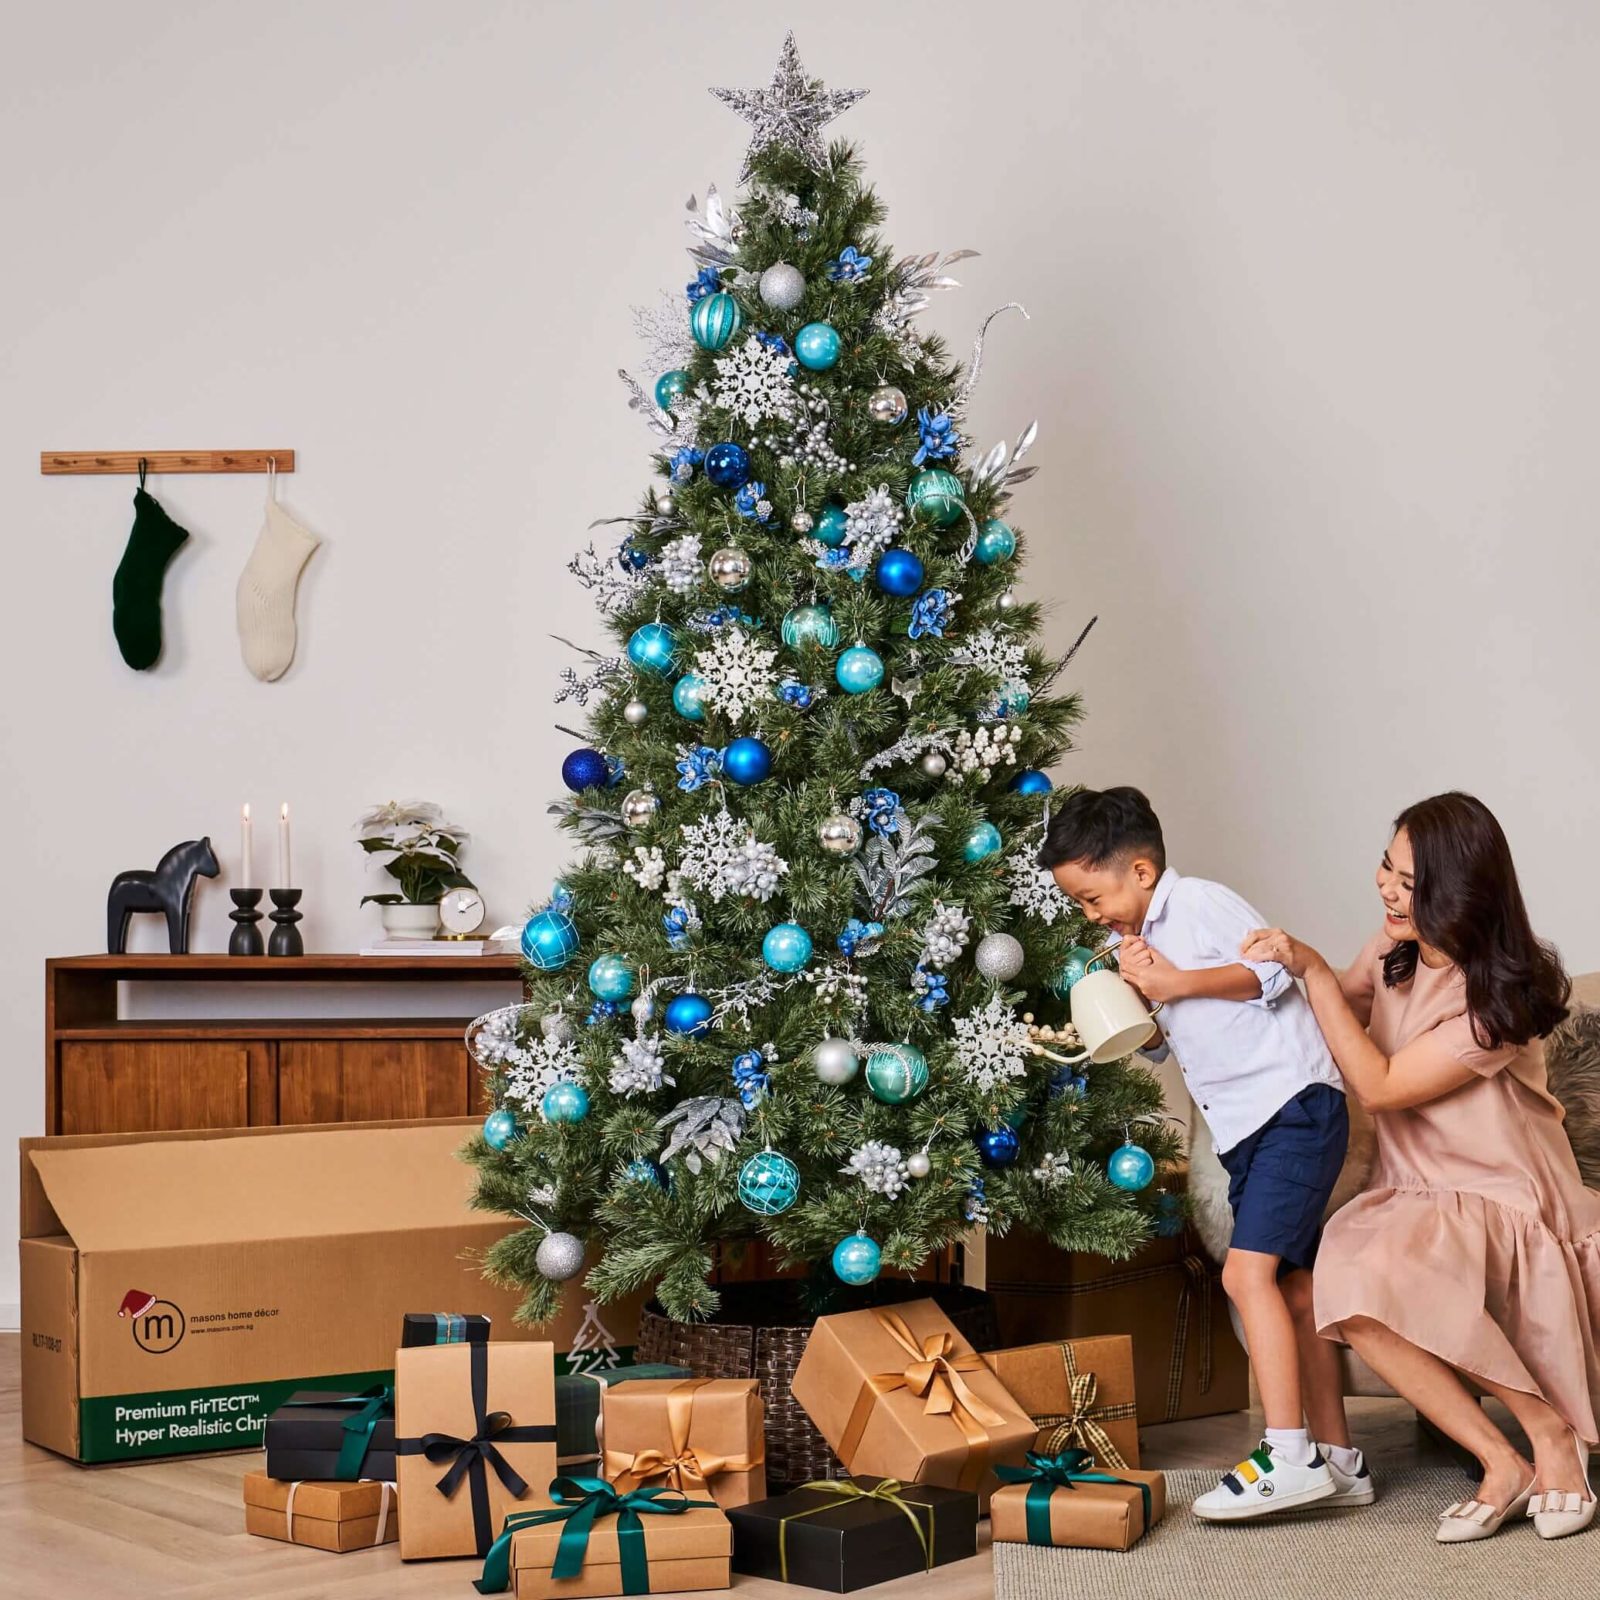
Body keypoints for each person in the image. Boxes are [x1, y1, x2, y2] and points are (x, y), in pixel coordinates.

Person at [1241, 791, 1599, 1543]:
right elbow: (1330, 1008)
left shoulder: (1498, 1001)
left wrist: (1308, 964)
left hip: (1501, 1192)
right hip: (1412, 1189)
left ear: (1459, 891)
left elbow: (1380, 1084)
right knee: (1348, 1281)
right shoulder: (1392, 950)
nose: (1387, 889)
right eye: (1386, 867)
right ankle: (1504, 1459)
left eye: (1410, 882)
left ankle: (1552, 1435)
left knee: (1389, 1271)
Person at [1041, 787, 1364, 1520]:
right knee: (1296, 1290)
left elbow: (1275, 973)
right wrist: (1143, 1007)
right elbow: (1172, 1037)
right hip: (1252, 1129)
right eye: (1081, 905)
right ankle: (1341, 1458)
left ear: (1143, 871)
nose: (1091, 915)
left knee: (1245, 1278)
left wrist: (1175, 980)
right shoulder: (1151, 936)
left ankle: (1288, 1453)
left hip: (1293, 1110)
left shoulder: (1203, 905)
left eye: (1093, 897)